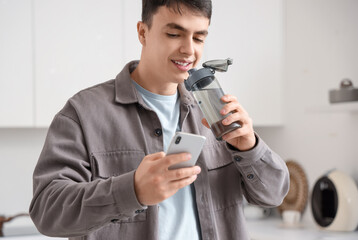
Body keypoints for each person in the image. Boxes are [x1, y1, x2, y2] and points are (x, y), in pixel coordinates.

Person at [29, 0, 289, 239]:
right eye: (174, 34)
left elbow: (274, 195)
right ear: (143, 32)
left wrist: (249, 146)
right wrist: (131, 191)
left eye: (199, 38)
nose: (189, 50)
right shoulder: (82, 113)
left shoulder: (214, 111)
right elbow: (46, 211)